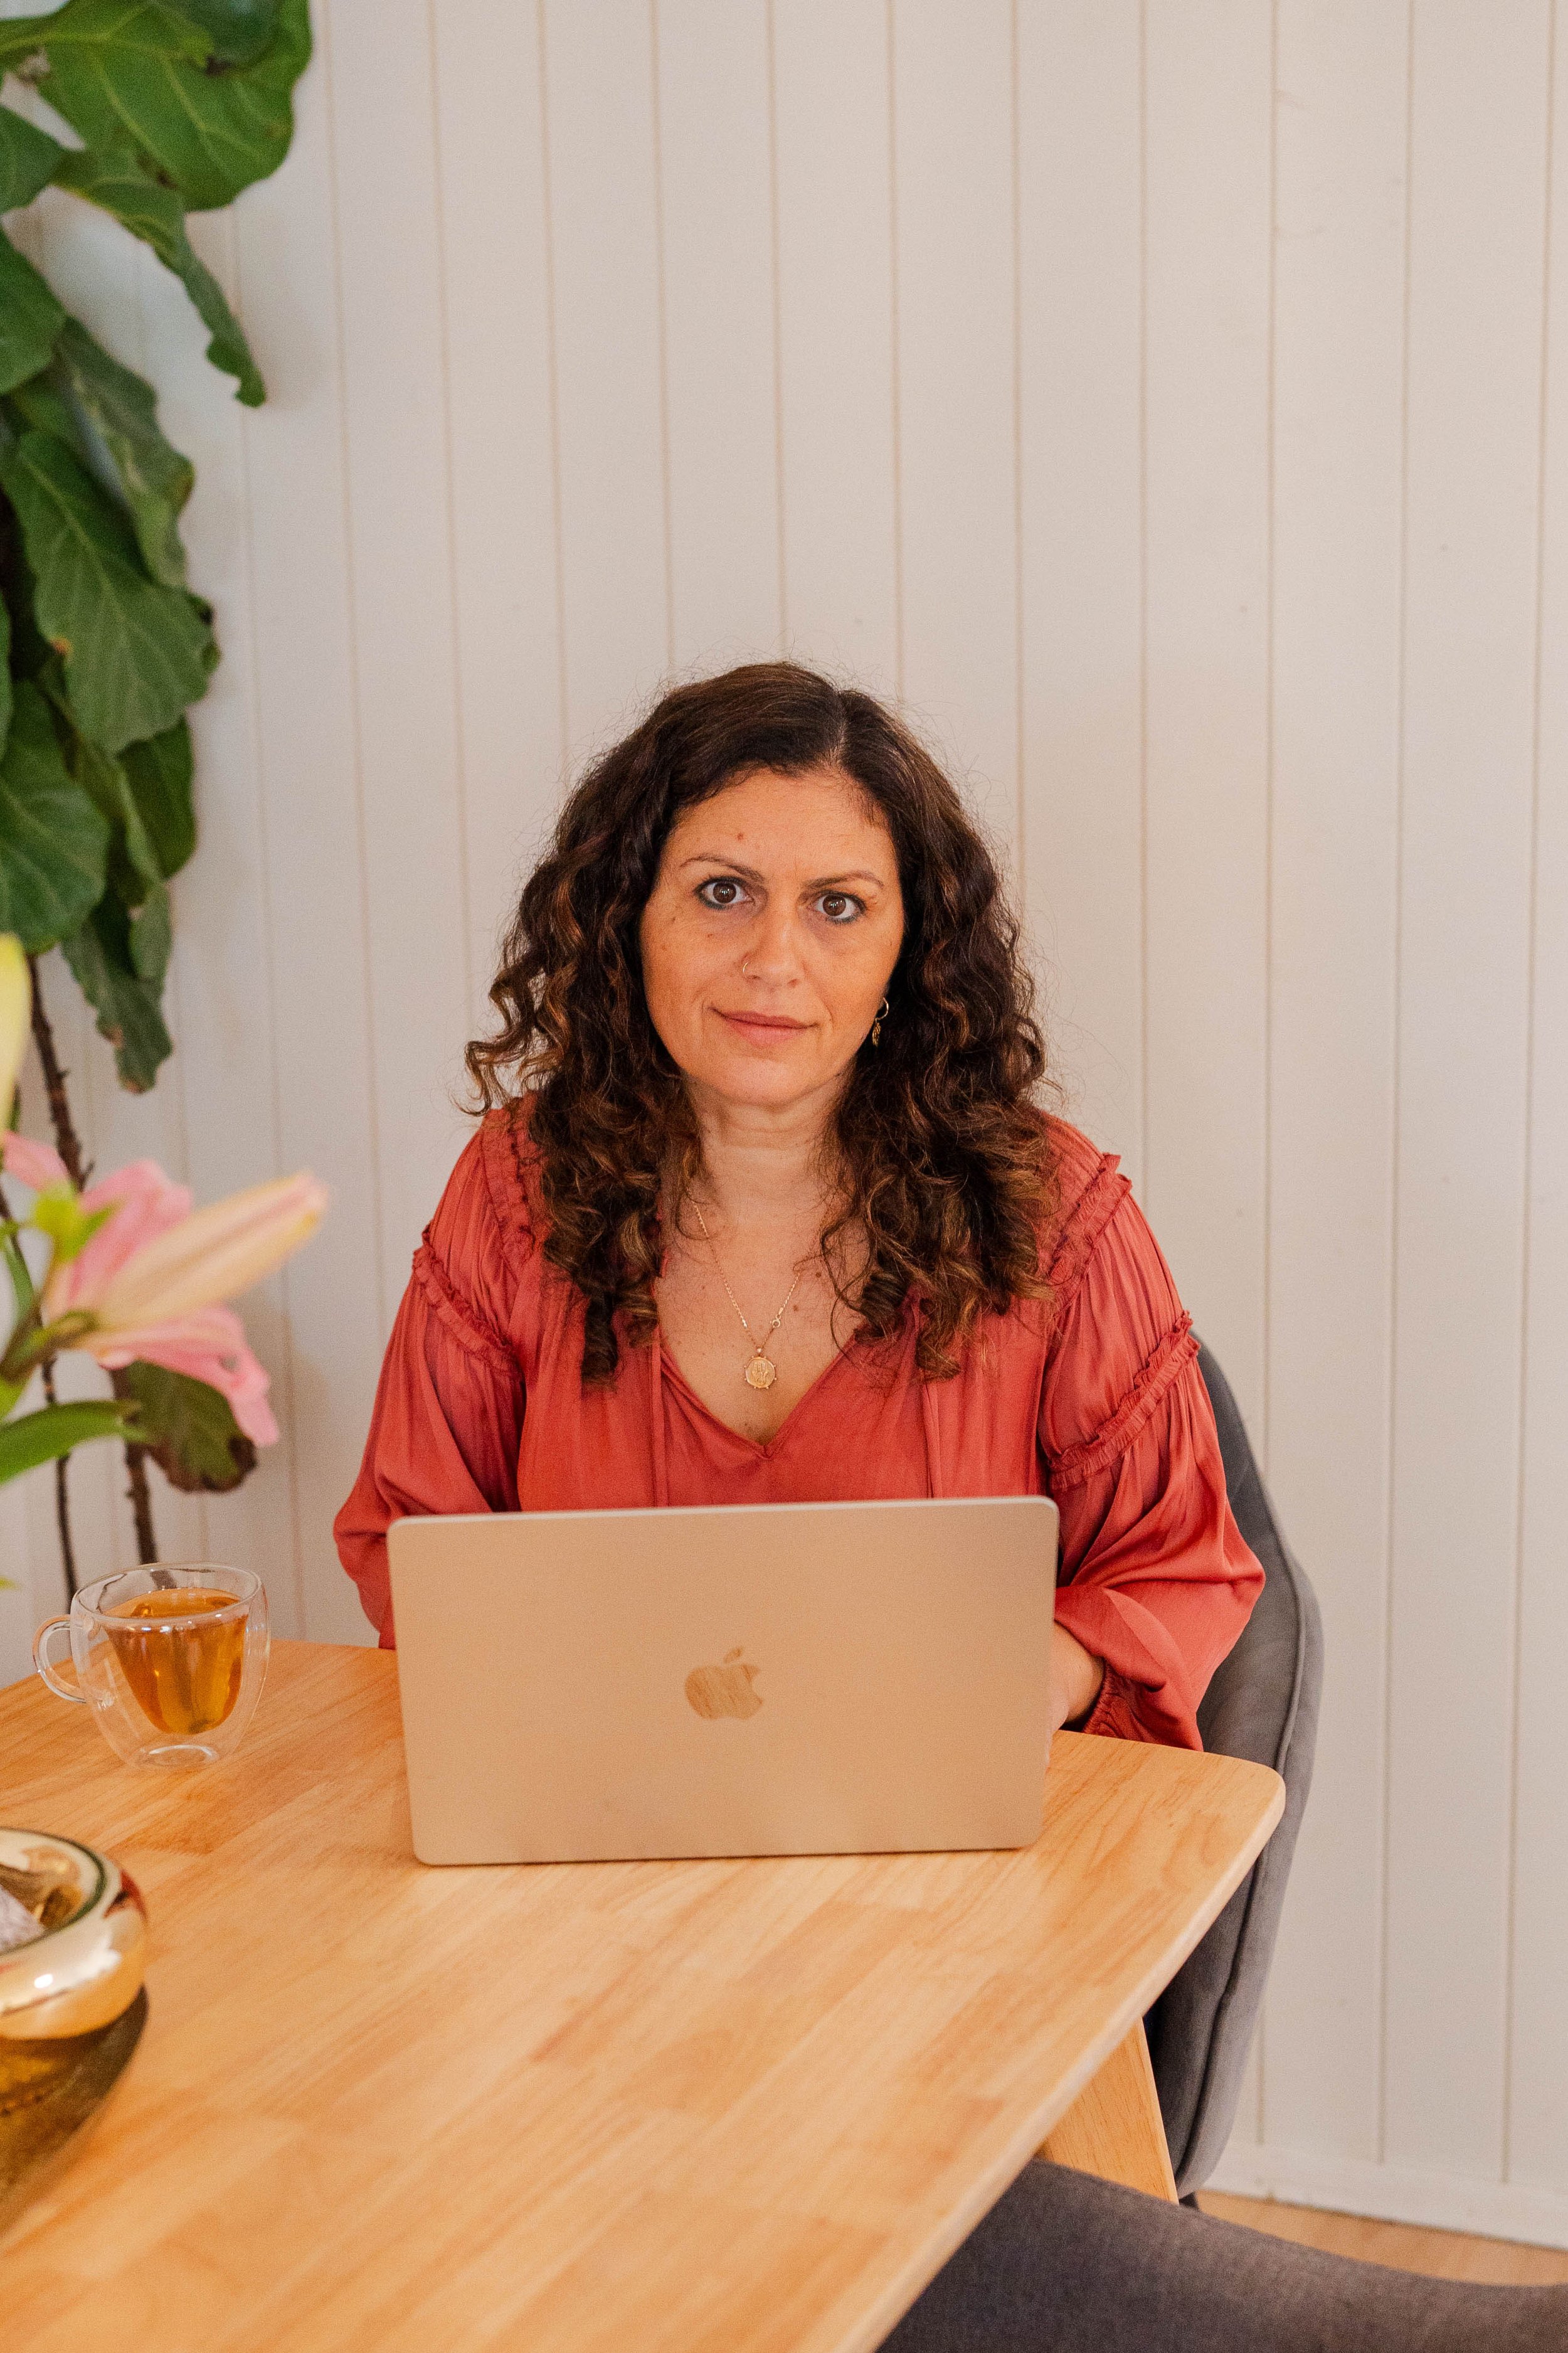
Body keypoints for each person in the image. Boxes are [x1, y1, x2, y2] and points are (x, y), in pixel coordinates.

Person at [336, 662, 1261, 1745]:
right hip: (598, 1838)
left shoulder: (1058, 1214)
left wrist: (1037, 1678)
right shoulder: (512, 1190)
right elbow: (418, 1542)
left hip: (947, 1858)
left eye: (839, 907)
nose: (775, 960)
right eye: (723, 892)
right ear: (630, 916)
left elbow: (1176, 1568)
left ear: (906, 951)